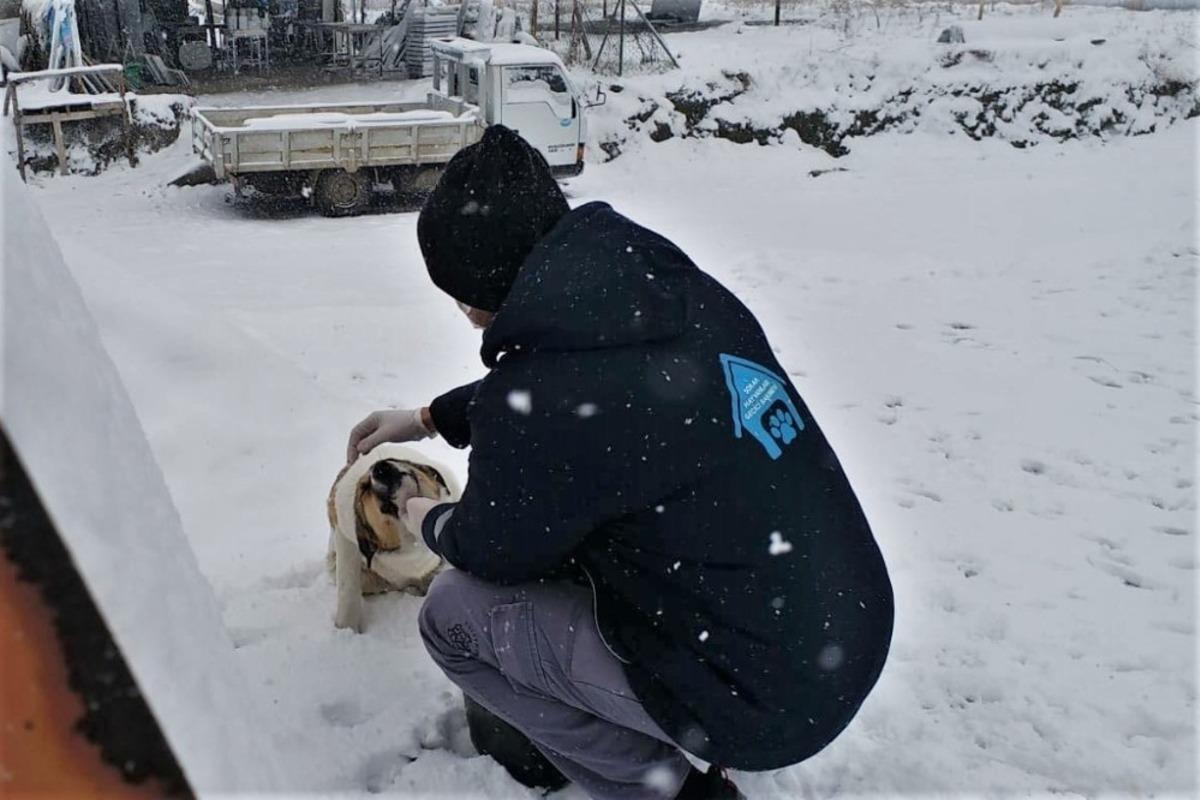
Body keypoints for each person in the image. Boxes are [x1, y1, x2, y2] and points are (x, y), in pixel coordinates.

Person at [346, 126, 894, 800]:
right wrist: (431, 416)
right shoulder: (664, 287)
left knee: (450, 613)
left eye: (461, 295)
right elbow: (582, 392)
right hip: (841, 632)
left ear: (490, 280)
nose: (465, 315)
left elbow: (490, 548)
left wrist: (425, 515)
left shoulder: (553, 393)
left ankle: (670, 790)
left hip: (765, 702)